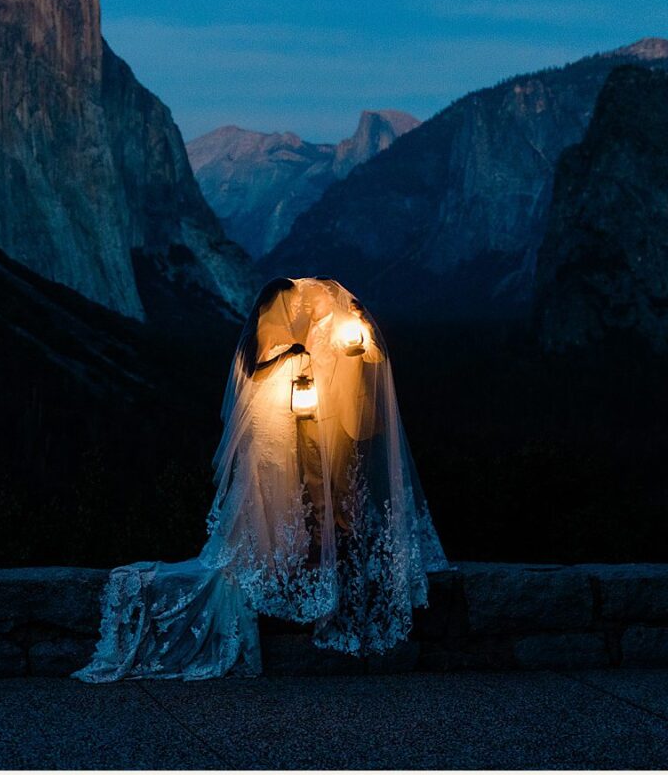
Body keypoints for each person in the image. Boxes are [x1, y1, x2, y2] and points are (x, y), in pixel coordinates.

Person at [75, 277, 446, 682]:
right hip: (269, 427)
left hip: (284, 420)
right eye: (290, 305)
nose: (297, 310)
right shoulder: (262, 343)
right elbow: (256, 371)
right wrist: (291, 357)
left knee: (282, 491)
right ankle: (267, 554)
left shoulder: (290, 337)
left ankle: (282, 550)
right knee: (265, 489)